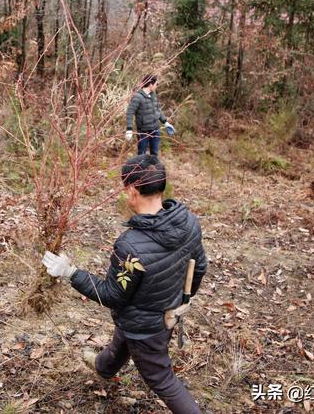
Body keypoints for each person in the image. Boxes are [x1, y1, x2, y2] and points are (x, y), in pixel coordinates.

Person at [41, 154, 207, 414]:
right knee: (125, 334)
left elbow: (112, 295)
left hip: (148, 327)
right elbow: (200, 267)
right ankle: (104, 367)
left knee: (161, 378)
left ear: (132, 191)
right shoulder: (188, 222)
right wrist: (177, 301)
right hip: (164, 315)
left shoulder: (131, 246)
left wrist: (71, 272)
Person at [125, 75, 175, 156]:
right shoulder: (137, 97)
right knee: (142, 155)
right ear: (151, 84)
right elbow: (130, 112)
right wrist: (129, 129)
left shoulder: (153, 95)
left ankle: (153, 168)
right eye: (156, 84)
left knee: (154, 154)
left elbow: (158, 109)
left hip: (156, 130)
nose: (156, 86)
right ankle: (140, 169)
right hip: (143, 131)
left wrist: (165, 122)